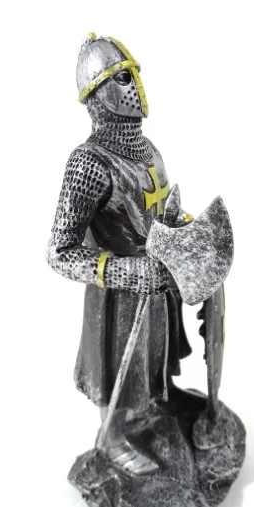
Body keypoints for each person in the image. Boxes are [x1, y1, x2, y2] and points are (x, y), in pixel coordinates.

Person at [47, 34, 192, 475]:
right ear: (99, 93)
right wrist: (126, 272)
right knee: (117, 375)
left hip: (158, 284)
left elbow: (157, 211)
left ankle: (156, 405)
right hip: (117, 298)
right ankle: (111, 440)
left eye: (133, 75)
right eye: (122, 78)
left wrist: (184, 227)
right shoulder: (88, 164)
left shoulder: (148, 149)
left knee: (156, 358)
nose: (134, 86)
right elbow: (59, 251)